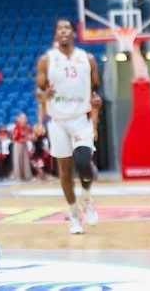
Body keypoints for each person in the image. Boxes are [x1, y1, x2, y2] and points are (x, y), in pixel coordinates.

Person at [35, 18, 102, 235]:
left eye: (67, 28)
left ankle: (87, 198)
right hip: (58, 121)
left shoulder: (88, 59)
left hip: (81, 119)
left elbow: (96, 93)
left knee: (84, 163)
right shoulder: (46, 60)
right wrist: (43, 99)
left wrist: (97, 117)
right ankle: (74, 215)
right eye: (59, 28)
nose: (63, 31)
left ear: (74, 33)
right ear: (56, 35)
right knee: (64, 171)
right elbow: (39, 93)